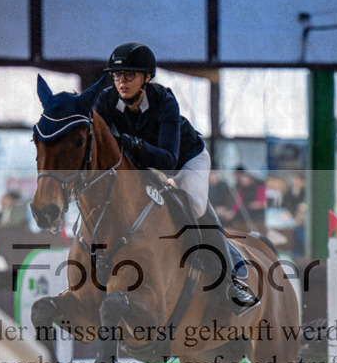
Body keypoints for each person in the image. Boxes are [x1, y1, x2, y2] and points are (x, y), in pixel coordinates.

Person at [93, 42, 256, 313]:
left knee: (194, 205)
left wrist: (134, 144)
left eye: (130, 75)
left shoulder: (164, 102)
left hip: (185, 160)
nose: (122, 82)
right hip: (141, 165)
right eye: (117, 75)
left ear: (147, 77)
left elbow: (168, 160)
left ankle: (230, 282)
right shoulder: (106, 101)